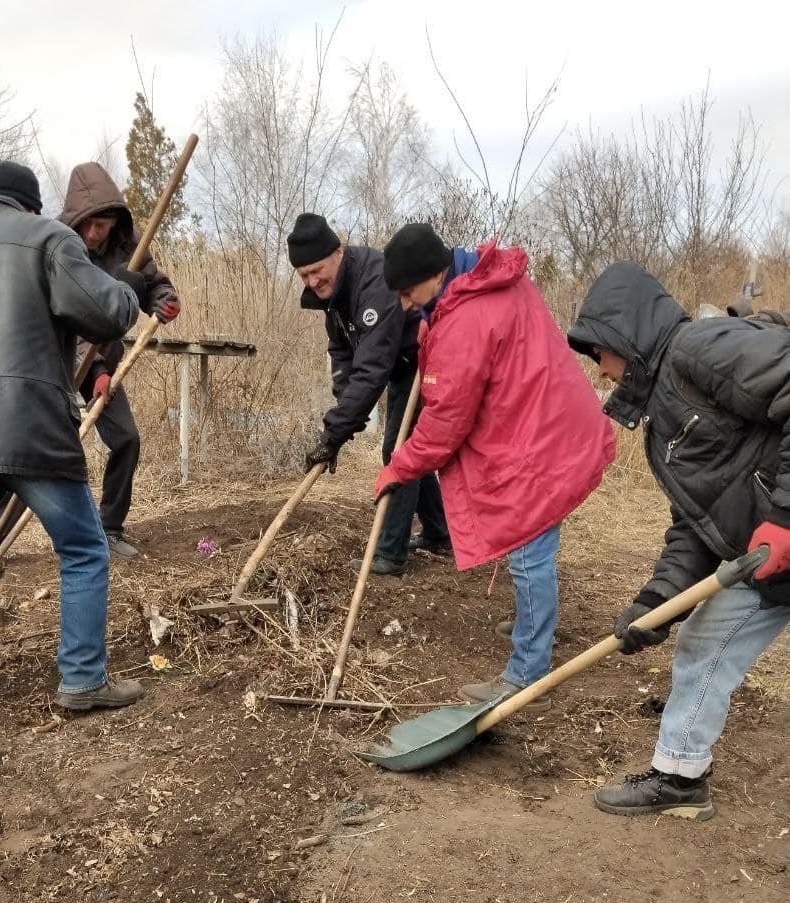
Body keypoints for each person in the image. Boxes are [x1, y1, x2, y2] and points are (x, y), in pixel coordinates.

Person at [0, 161, 146, 732]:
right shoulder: (46, 238)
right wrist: (128, 290)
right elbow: (106, 311)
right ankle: (83, 680)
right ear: (29, 205)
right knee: (84, 549)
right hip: (29, 426)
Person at [568, 262, 790, 820]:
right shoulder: (663, 417)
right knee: (703, 640)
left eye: (600, 354)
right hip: (769, 561)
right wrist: (654, 606)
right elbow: (698, 525)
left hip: (780, 536)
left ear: (625, 338)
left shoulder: (700, 349)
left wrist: (786, 514)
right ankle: (680, 777)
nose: (601, 372)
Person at [375, 224, 616, 712]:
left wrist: (400, 467)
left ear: (437, 272)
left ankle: (527, 672)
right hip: (549, 425)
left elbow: (444, 424)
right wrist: (431, 324)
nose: (403, 305)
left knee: (530, 555)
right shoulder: (483, 283)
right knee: (534, 553)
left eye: (407, 293)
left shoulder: (468, 317)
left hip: (537, 443)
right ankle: (533, 626)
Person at [287, 212, 451, 576]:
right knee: (406, 446)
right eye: (304, 275)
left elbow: (372, 368)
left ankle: (389, 554)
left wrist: (333, 434)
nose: (313, 280)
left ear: (338, 253)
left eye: (317, 270)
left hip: (421, 361)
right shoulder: (333, 295)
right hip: (397, 364)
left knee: (398, 450)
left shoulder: (375, 282)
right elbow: (343, 352)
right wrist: (349, 408)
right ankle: (440, 534)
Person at [58, 162, 181, 558]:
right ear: (77, 219)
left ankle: (109, 528)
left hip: (104, 365)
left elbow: (150, 283)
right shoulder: (59, 246)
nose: (96, 233)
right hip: (55, 364)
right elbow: (66, 319)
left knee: (126, 439)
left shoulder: (128, 246)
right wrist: (92, 371)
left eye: (104, 224)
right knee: (42, 454)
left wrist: (163, 301)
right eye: (90, 224)